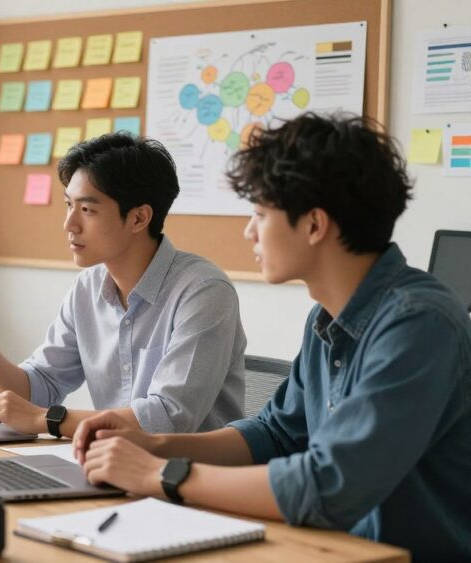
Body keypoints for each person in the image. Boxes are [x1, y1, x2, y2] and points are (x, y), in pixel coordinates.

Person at [72, 114, 471, 561]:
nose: (249, 231)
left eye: (260, 214)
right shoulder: (330, 314)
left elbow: (328, 487)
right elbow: (275, 434)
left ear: (315, 225)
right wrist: (149, 442)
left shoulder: (419, 324)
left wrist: (161, 474)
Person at [0, 133, 246, 439]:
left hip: (193, 483)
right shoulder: (87, 289)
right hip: (115, 468)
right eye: (68, 205)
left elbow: (170, 418)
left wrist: (49, 420)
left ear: (139, 218)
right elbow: (35, 390)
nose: (69, 224)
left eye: (87, 209)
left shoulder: (204, 292)